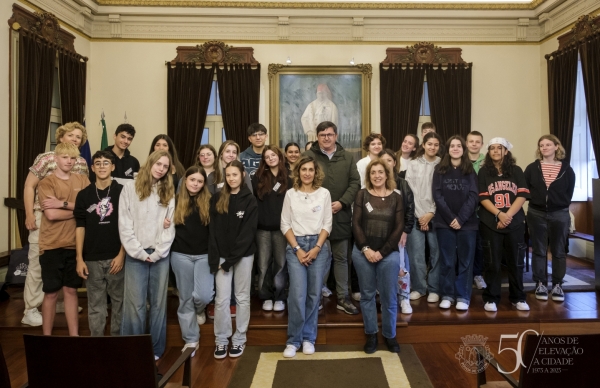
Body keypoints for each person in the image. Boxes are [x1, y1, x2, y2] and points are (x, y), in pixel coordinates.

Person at [22, 122, 89, 326]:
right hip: (44, 215)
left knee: (66, 262)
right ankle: (31, 309)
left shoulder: (82, 163)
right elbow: (29, 185)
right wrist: (29, 214)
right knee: (38, 263)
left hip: (71, 217)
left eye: (79, 137)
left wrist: (73, 210)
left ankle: (60, 303)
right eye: (71, 135)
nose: (75, 139)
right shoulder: (45, 158)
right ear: (61, 137)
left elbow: (85, 199)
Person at [119, 150, 175, 360]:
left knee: (159, 303)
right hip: (136, 254)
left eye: (165, 166)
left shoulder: (167, 190)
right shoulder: (129, 188)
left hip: (160, 254)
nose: (161, 169)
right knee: (135, 304)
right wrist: (139, 253)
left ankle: (155, 350)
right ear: (150, 162)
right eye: (158, 164)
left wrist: (159, 251)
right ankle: (133, 349)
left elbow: (171, 225)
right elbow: (124, 225)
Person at [304, 121, 360, 315]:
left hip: (340, 215)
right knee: (317, 259)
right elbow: (302, 182)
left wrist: (342, 202)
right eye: (322, 135)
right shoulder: (309, 156)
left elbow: (355, 182)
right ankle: (316, 297)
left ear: (336, 135)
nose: (326, 138)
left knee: (342, 258)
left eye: (329, 134)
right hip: (314, 219)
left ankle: (343, 298)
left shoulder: (347, 157)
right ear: (317, 137)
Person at [281, 156, 332, 358]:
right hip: (296, 246)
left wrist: (317, 247)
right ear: (298, 172)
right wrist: (297, 249)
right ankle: (293, 340)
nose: (307, 173)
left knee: (313, 294)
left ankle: (309, 338)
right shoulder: (290, 194)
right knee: (297, 294)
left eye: (311, 170)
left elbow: (327, 223)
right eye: (304, 169)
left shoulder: (324, 194)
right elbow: (285, 224)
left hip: (318, 246)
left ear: (316, 172)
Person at [37, 142, 90, 335]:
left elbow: (91, 208)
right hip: (51, 245)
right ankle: (46, 337)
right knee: (50, 292)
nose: (69, 161)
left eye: (73, 158)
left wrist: (63, 204)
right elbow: (51, 215)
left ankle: (74, 336)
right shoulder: (47, 182)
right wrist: (78, 211)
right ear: (56, 159)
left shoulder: (83, 180)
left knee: (71, 291)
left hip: (75, 246)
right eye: (65, 157)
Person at [352, 159, 403, 354]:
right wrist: (366, 249)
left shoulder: (396, 197)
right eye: (373, 173)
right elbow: (356, 224)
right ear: (368, 175)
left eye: (380, 172)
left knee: (390, 297)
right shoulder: (361, 194)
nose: (377, 176)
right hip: (363, 253)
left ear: (387, 174)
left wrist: (382, 252)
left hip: (388, 254)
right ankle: (371, 335)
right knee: (367, 296)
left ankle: (390, 335)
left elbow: (399, 227)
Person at [209, 161, 257, 359]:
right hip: (221, 257)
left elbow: (247, 235)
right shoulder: (217, 198)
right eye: (228, 175)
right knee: (221, 299)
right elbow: (213, 231)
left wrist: (230, 261)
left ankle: (239, 338)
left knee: (242, 297)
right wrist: (217, 259)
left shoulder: (250, 200)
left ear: (243, 175)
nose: (231, 178)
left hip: (243, 256)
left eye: (234, 175)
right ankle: (221, 339)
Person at [74, 150, 124, 336]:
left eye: (106, 163)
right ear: (92, 168)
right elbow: (80, 227)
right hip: (92, 259)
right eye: (98, 163)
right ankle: (98, 344)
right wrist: (79, 258)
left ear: (113, 167)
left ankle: (117, 342)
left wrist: (121, 255)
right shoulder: (84, 195)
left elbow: (128, 226)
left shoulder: (122, 192)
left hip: (116, 258)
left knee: (120, 302)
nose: (102, 166)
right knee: (95, 304)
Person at [478, 138, 530, 312]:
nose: (495, 151)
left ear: (506, 151)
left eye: (499, 148)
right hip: (490, 222)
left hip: (514, 222)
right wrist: (499, 215)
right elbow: (483, 197)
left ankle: (518, 297)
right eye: (492, 148)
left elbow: (522, 195)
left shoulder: (516, 170)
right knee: (492, 263)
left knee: (516, 262)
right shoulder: (484, 171)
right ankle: (491, 298)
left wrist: (507, 216)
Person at [524, 134, 575, 303]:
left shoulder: (567, 169)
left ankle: (558, 285)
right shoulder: (532, 168)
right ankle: (541, 283)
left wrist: (560, 205)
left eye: (548, 144)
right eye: (541, 145)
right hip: (536, 213)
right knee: (538, 250)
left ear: (556, 147)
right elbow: (525, 189)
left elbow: (569, 192)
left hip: (559, 214)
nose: (544, 147)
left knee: (559, 251)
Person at [170, 166, 214, 357]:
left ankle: (200, 309)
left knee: (204, 295)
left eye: (200, 181)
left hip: (204, 255)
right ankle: (191, 339)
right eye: (192, 180)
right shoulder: (174, 201)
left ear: (204, 184)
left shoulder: (210, 202)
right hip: (180, 255)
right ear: (185, 180)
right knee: (185, 298)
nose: (195, 184)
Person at [432, 136, 479, 311]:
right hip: (445, 223)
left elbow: (474, 196)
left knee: (466, 262)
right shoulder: (439, 169)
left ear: (463, 149)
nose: (456, 148)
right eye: (452, 146)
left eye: (459, 146)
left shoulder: (470, 170)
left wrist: (460, 219)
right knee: (447, 261)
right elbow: (437, 195)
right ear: (448, 149)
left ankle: (463, 296)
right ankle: (447, 295)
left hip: (468, 224)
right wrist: (451, 218)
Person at [251, 146, 292, 312]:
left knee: (281, 264)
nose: (270, 158)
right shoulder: (258, 177)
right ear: (264, 160)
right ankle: (265, 296)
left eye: (273, 155)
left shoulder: (289, 177)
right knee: (263, 265)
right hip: (262, 229)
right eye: (267, 157)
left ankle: (280, 296)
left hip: (283, 229)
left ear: (279, 156)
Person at [405, 132, 442, 303]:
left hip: (437, 215)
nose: (432, 147)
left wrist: (431, 213)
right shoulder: (412, 164)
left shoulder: (443, 164)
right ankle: (419, 287)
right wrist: (421, 216)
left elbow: (442, 194)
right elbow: (410, 191)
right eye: (429, 144)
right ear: (424, 145)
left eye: (435, 144)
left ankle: (434, 288)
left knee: (437, 254)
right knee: (416, 254)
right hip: (416, 215)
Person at [378, 149, 414, 314]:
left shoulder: (403, 184)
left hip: (398, 235)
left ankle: (404, 298)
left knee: (401, 267)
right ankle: (385, 298)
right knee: (382, 268)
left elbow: (409, 210)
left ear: (394, 163)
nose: (387, 164)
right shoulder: (374, 184)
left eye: (390, 160)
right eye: (383, 160)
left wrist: (405, 231)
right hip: (379, 235)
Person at [466, 131, 487, 290]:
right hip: (462, 210)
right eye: (471, 141)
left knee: (479, 245)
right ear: (466, 143)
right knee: (464, 245)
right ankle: (463, 274)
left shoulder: (487, 162)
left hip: (481, 210)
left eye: (477, 141)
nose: (474, 144)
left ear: (481, 144)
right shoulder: (460, 159)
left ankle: (477, 274)